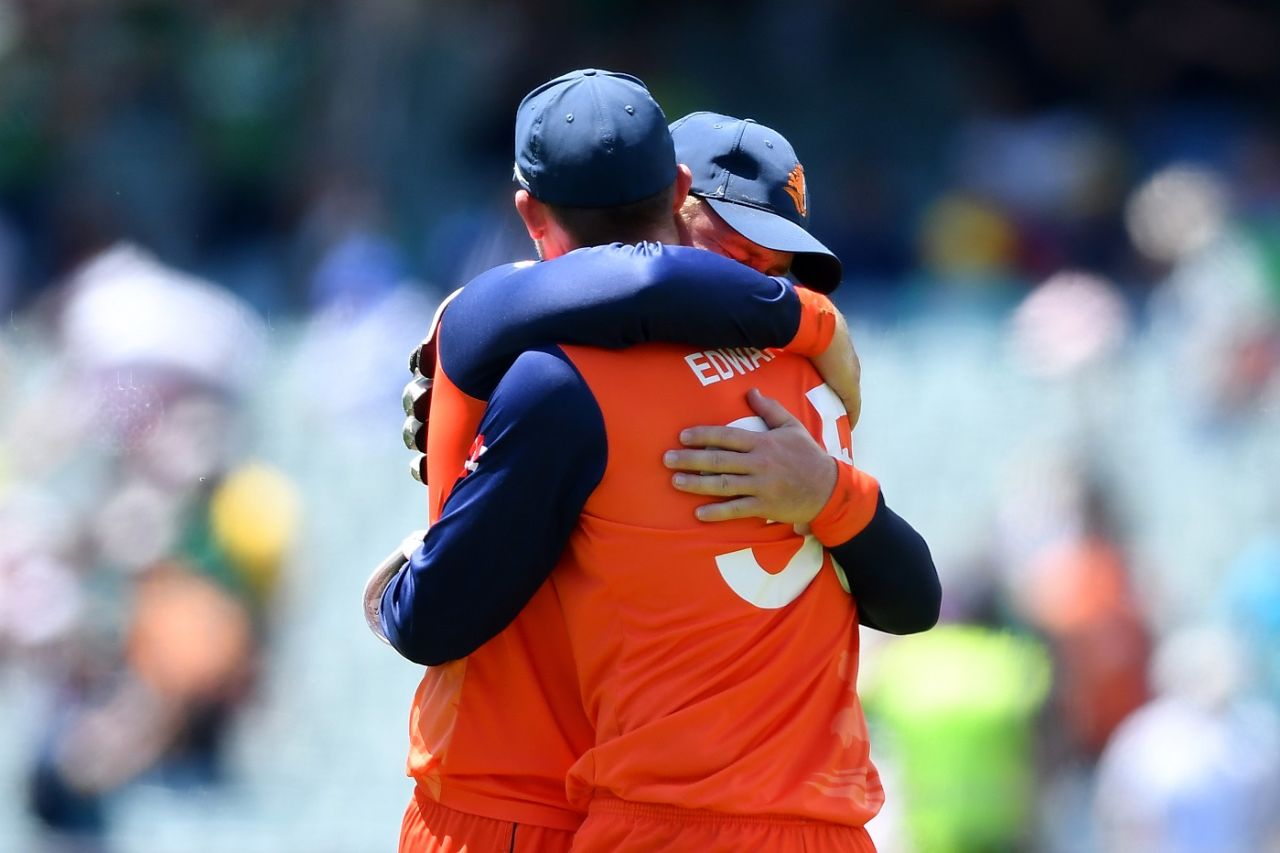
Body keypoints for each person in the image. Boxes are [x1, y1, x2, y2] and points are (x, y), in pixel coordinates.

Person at [379, 70, 939, 852]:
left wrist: (828, 487)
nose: (754, 275)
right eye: (739, 248)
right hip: (580, 795)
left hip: (541, 797)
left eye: (781, 264)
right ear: (675, 201)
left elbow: (910, 596)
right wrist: (811, 318)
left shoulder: (568, 364)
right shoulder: (796, 365)